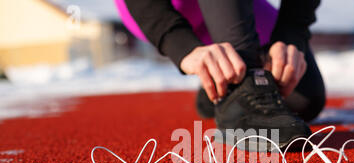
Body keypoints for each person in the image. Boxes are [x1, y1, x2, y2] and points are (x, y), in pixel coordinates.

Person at [122, 0, 325, 149]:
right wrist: (177, 42)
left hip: (233, 8)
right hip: (165, 7)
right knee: (252, 91)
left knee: (303, 97)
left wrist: (291, 35)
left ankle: (218, 85)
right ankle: (240, 88)